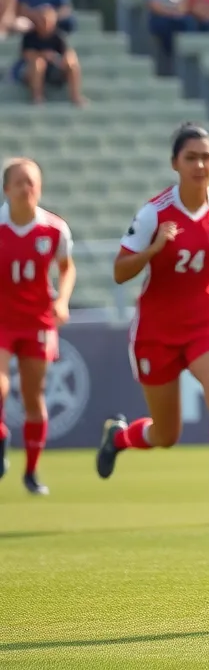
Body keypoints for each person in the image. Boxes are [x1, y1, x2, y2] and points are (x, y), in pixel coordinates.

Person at [95, 124, 209, 525]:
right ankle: (118, 438)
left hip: (206, 320)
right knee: (166, 435)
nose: (200, 165)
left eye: (207, 157)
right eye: (191, 157)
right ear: (175, 164)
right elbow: (119, 272)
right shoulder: (154, 213)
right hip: (157, 331)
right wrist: (154, 249)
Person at [0, 159, 75, 495]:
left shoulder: (54, 229)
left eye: (32, 181)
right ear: (6, 189)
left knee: (33, 397)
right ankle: (2, 438)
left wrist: (62, 300)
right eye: (19, 182)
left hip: (37, 321)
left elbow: (67, 268)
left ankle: (31, 472)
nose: (27, 187)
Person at [16, 8, 84, 106]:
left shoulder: (59, 36)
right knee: (38, 63)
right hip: (31, 70)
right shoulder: (29, 37)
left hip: (54, 68)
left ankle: (75, 97)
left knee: (72, 63)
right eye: (42, 20)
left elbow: (67, 53)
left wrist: (63, 59)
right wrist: (43, 55)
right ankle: (37, 97)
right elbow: (27, 55)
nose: (45, 23)